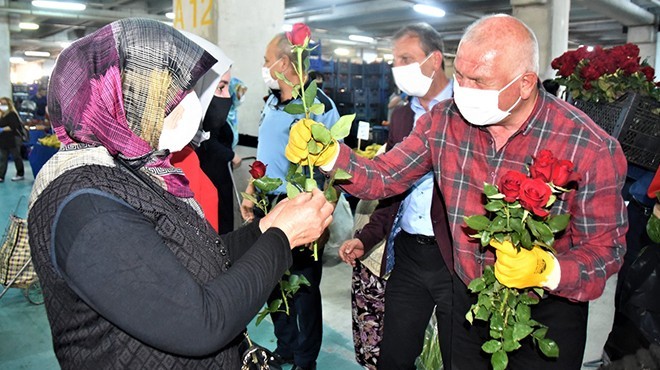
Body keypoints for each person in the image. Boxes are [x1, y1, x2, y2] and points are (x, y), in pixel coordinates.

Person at [287, 14, 627, 369]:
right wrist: (330, 156)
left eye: (478, 80)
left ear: (525, 83)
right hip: (468, 306)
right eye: (460, 75)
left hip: (546, 314)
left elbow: (606, 250)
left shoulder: (588, 147)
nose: (463, 89)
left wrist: (549, 270)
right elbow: (385, 176)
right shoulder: (443, 121)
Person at [27, 18, 334, 369]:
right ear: (126, 98)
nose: (191, 103)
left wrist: (264, 230)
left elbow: (197, 260)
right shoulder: (89, 207)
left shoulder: (133, 169)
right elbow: (201, 324)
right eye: (174, 92)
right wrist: (282, 238)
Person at [338, 23, 453, 370]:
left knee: (459, 357)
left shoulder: (464, 112)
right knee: (394, 356)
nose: (397, 67)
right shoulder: (403, 116)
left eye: (406, 58)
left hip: (453, 259)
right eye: (394, 59)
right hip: (409, 254)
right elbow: (390, 185)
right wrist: (368, 236)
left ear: (434, 61)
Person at [240, 31, 340, 370]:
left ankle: (305, 358)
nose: (264, 67)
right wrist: (253, 191)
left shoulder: (318, 107)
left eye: (267, 61)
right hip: (267, 202)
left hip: (298, 203)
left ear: (285, 63)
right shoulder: (271, 101)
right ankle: (285, 346)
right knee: (272, 280)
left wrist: (321, 213)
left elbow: (332, 170)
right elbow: (266, 154)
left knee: (304, 288)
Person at [0, 97, 26, 182]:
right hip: (3, 139)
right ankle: (1, 176)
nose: (2, 106)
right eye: (1, 104)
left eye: (4, 104)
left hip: (14, 139)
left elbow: (13, 127)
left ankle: (20, 174)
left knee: (16, 157)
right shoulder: (1, 115)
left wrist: (2, 129)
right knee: (2, 158)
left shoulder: (12, 114)